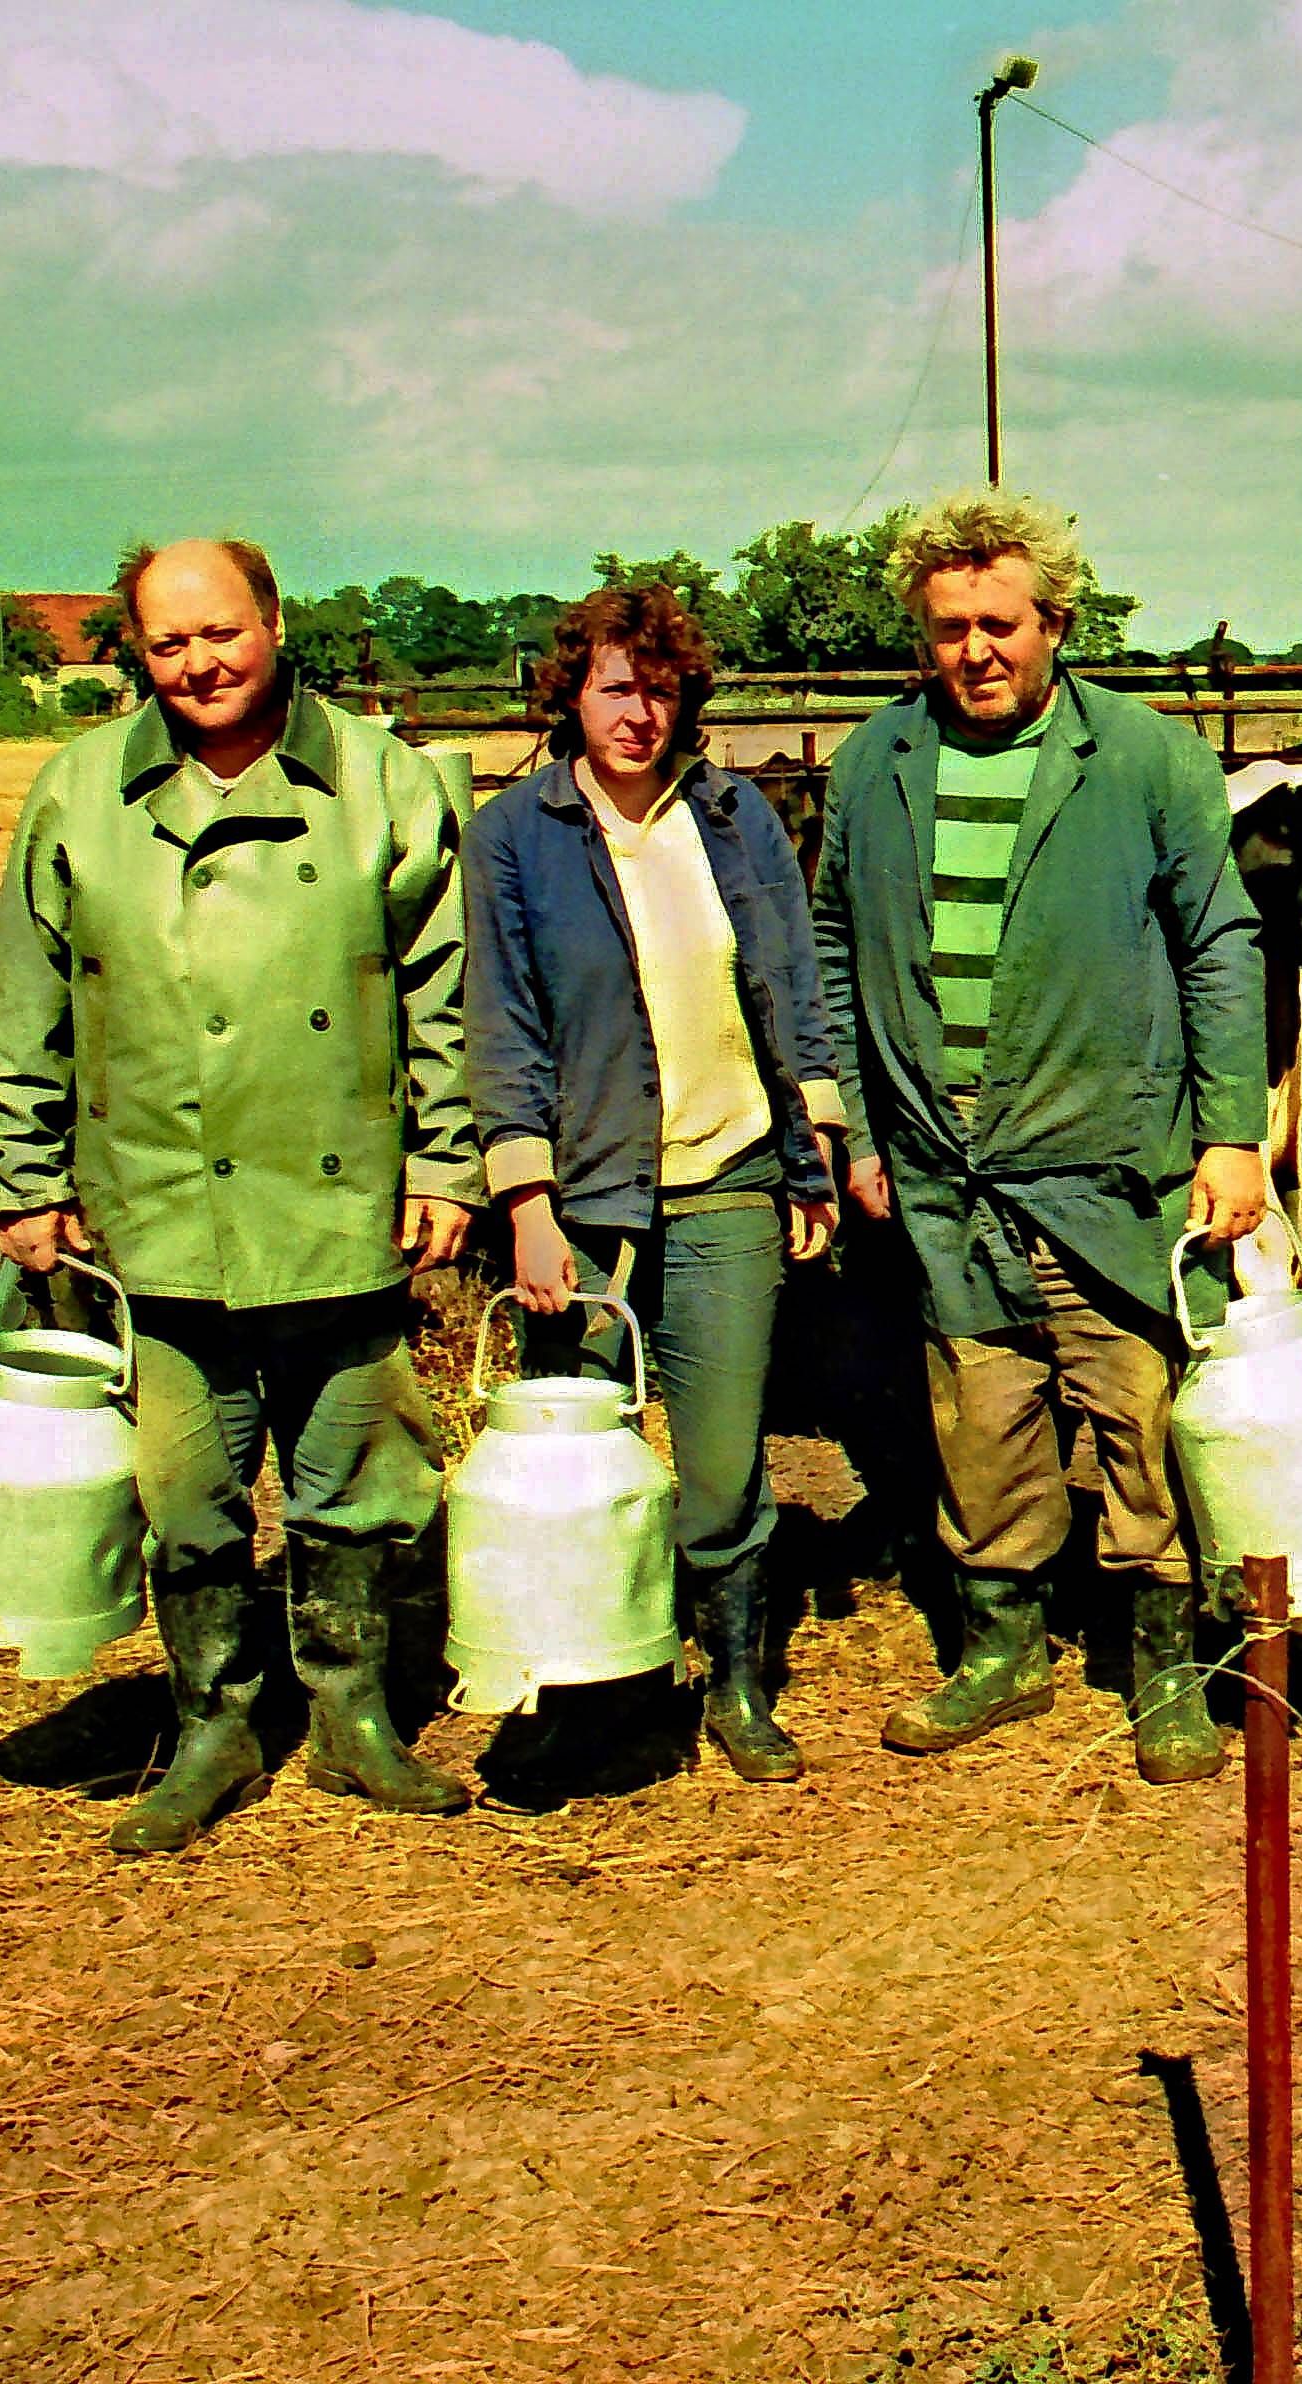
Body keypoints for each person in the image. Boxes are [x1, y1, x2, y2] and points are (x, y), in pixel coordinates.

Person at [0, 536, 480, 1856]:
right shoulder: (80, 792)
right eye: (167, 643)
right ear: (136, 655)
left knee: (355, 1478)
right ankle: (211, 1728)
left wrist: (444, 1163)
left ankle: (355, 1721)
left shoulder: (382, 781)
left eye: (222, 632)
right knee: (186, 1495)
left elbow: (447, 994)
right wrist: (22, 1175)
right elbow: (23, 1001)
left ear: (273, 621)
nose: (200, 663)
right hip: (154, 1210)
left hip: (342, 1204)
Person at [810, 487, 1268, 1784]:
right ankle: (999, 1652)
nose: (974, 651)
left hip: (1103, 1166)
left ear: (1055, 621)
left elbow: (1219, 946)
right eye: (947, 627)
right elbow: (834, 956)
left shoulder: (1143, 759)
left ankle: (1164, 1665)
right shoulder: (873, 765)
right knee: (981, 1415)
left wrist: (1230, 1133)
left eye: (999, 623)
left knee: (1137, 1406)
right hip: (942, 1172)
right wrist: (855, 1127)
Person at [464, 583, 843, 1791]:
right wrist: (526, 1202)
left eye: (664, 690)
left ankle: (733, 1680)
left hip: (728, 1174)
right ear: (569, 694)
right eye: (617, 688)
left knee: (726, 1461)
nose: (641, 713)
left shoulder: (736, 819)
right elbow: (502, 1027)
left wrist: (812, 1143)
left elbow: (794, 982)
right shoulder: (517, 837)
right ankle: (593, 1687)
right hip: (587, 1198)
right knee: (582, 1460)